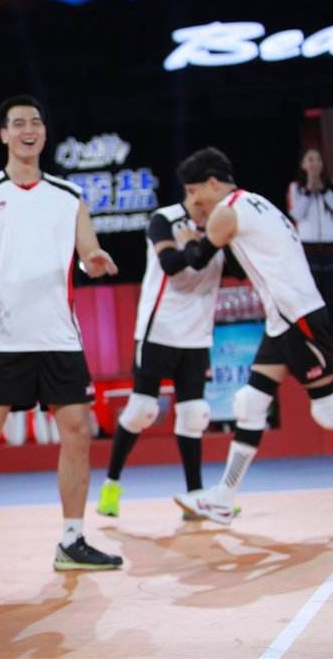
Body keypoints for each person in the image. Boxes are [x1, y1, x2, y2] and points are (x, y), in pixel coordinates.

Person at [0, 95, 123, 577]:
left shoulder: (69, 195)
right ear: (4, 134)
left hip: (60, 338)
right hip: (3, 339)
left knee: (78, 433)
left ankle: (72, 539)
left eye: (36, 122)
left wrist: (95, 261)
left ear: (43, 132)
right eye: (18, 123)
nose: (28, 130)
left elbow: (88, 253)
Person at [172, 147, 333, 523]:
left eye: (194, 192)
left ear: (212, 183)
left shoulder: (227, 211)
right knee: (251, 404)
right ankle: (223, 498)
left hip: (298, 316)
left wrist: (184, 239)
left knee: (329, 406)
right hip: (283, 319)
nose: (193, 201)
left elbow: (197, 259)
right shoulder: (254, 201)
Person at [97, 200, 224, 520]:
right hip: (159, 330)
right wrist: (196, 247)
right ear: (197, 190)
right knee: (141, 409)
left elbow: (234, 264)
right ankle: (111, 485)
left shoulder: (221, 224)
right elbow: (170, 263)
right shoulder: (164, 219)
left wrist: (202, 243)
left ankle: (195, 497)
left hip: (197, 334)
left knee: (195, 414)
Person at [288, 148, 333, 333]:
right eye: (310, 160)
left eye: (318, 160)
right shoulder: (296, 188)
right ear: (303, 165)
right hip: (308, 248)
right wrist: (308, 189)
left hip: (331, 248)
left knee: (331, 298)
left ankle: (331, 342)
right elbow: (296, 214)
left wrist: (324, 189)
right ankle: (315, 341)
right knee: (311, 298)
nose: (314, 164)